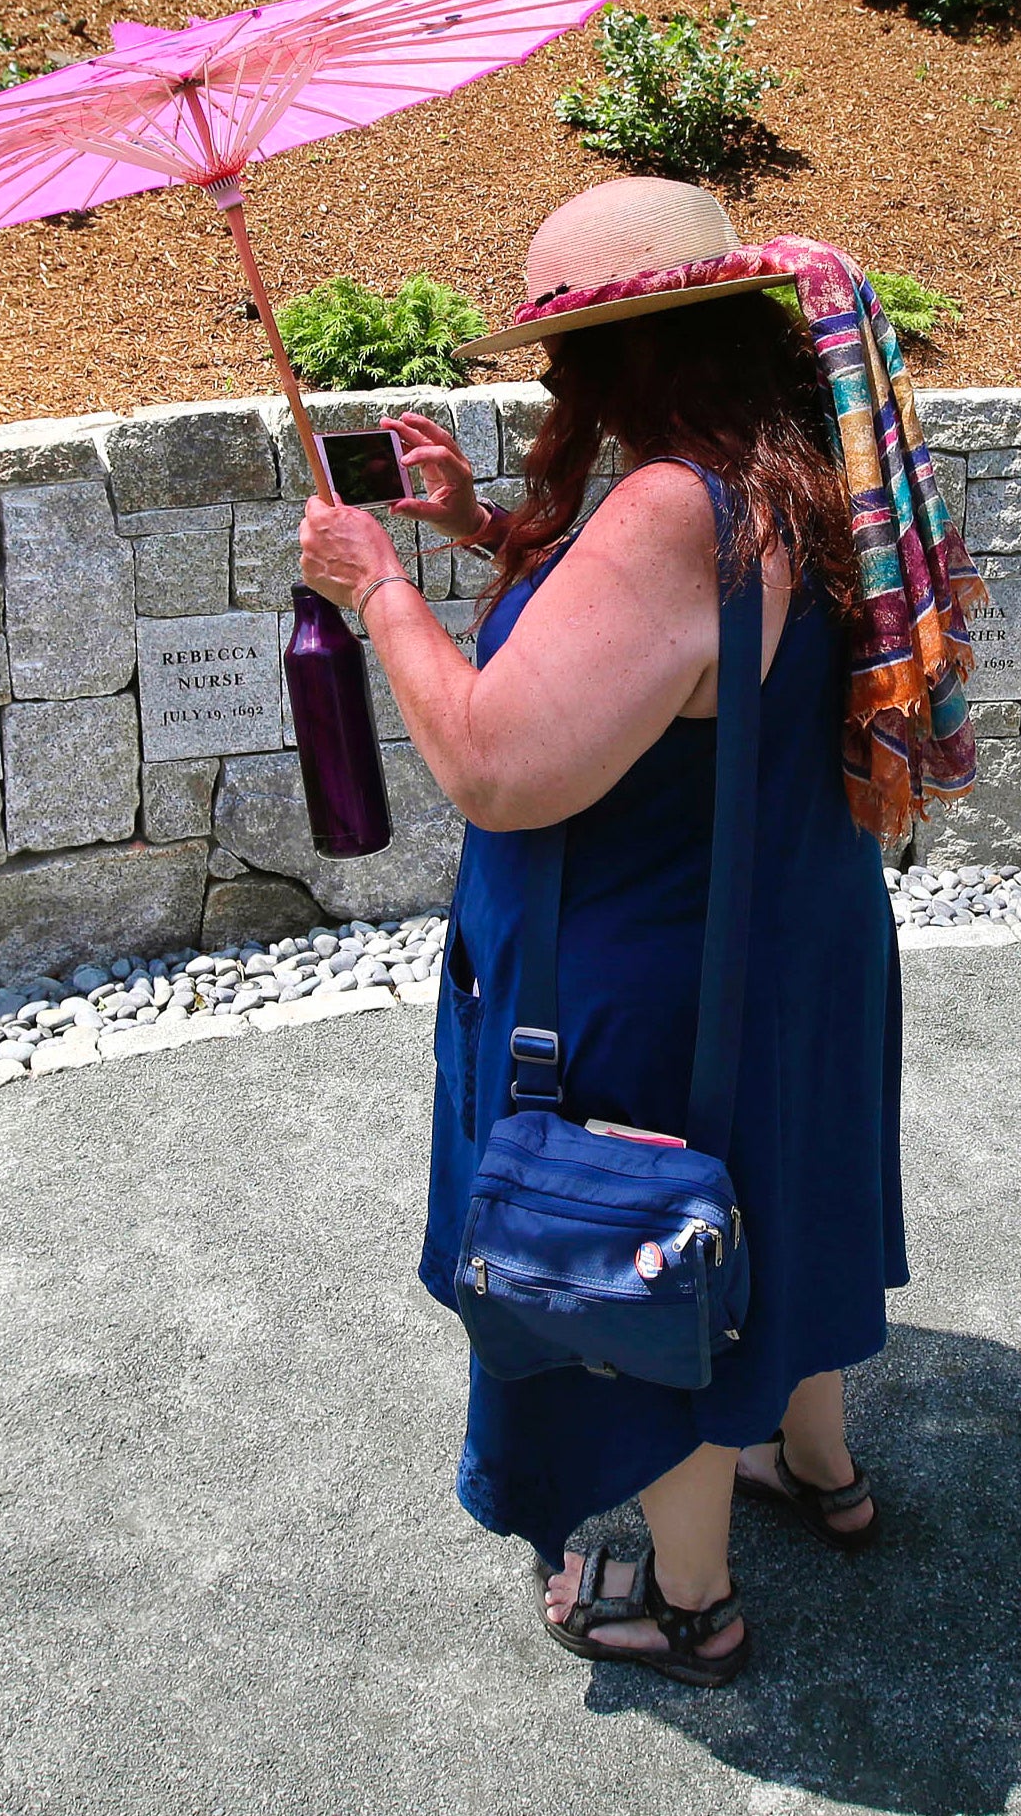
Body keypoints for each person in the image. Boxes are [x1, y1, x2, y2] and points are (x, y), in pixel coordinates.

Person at [296, 178, 981, 1688]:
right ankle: (814, 1461)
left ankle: (682, 1596)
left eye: (559, 353)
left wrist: (380, 591)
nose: (549, 382)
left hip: (656, 973)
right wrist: (478, 527)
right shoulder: (789, 469)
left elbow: (494, 758)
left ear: (621, 353)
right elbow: (662, 662)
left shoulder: (668, 508)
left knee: (649, 1268)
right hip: (790, 940)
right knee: (775, 1198)